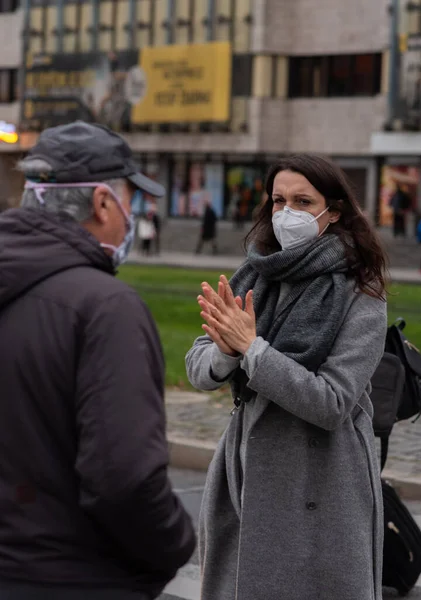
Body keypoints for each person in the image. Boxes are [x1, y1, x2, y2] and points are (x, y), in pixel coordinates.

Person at [0, 121, 195, 599]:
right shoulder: (106, 307)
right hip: (72, 576)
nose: (131, 216)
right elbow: (124, 479)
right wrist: (176, 544)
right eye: (129, 200)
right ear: (104, 203)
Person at [186, 153, 388, 600]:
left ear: (333, 212)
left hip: (322, 479)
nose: (287, 213)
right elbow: (198, 368)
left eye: (302, 201)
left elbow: (332, 403)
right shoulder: (256, 274)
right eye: (278, 201)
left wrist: (252, 350)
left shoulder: (362, 293)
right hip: (245, 469)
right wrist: (223, 352)